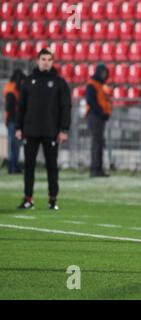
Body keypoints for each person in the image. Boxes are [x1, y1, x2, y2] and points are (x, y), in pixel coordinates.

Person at [15, 48, 71, 210]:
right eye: (43, 59)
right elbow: (21, 107)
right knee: (29, 167)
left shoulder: (59, 83)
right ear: (37, 61)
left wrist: (64, 129)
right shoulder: (28, 81)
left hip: (51, 131)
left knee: (52, 167)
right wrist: (18, 127)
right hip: (30, 131)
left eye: (49, 59)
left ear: (52, 62)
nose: (46, 62)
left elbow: (65, 107)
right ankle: (28, 199)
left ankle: (52, 199)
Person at [85, 64, 111, 178]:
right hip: (94, 116)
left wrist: (105, 113)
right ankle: (95, 169)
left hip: (100, 117)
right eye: (103, 72)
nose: (104, 75)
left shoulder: (101, 85)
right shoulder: (92, 85)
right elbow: (90, 101)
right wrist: (101, 112)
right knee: (96, 143)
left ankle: (98, 168)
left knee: (99, 143)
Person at [3, 69, 25, 174]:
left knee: (15, 145)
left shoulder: (12, 89)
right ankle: (12, 167)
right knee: (13, 145)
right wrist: (17, 123)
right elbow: (11, 109)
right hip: (13, 121)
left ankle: (14, 166)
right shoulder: (12, 91)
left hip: (13, 120)